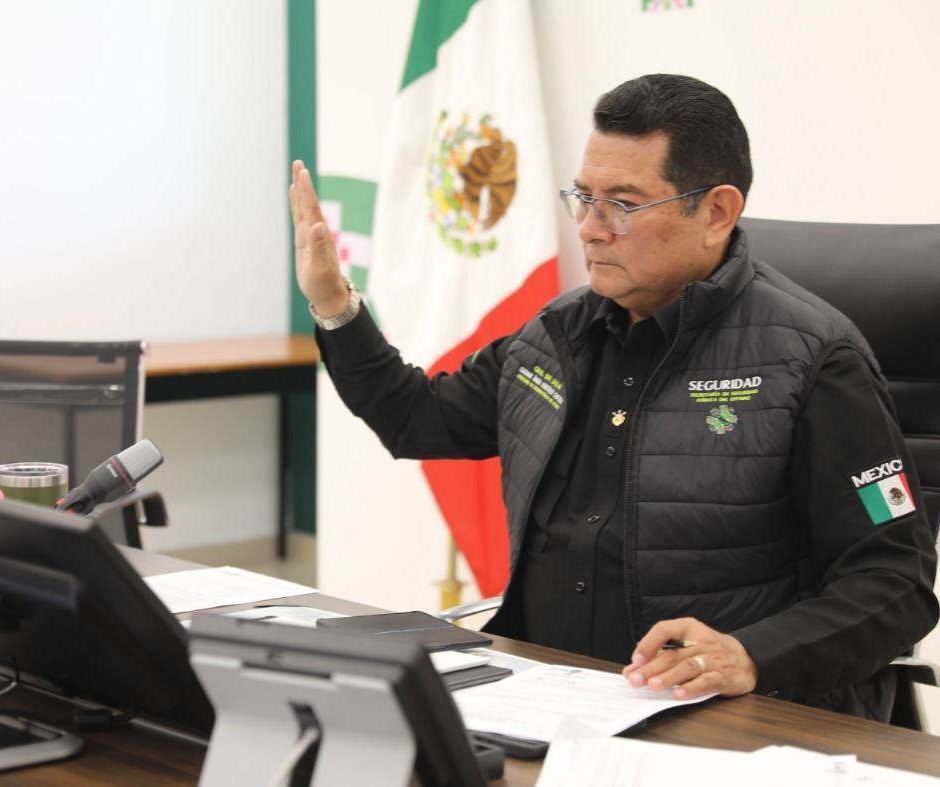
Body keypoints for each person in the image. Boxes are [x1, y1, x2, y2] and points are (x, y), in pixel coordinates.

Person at [289, 74, 938, 720]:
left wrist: (748, 653)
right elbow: (417, 421)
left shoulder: (813, 359)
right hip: (546, 694)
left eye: (621, 204)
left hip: (723, 714)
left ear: (715, 212)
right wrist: (332, 305)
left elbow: (894, 582)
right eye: (583, 198)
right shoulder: (554, 335)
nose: (590, 229)